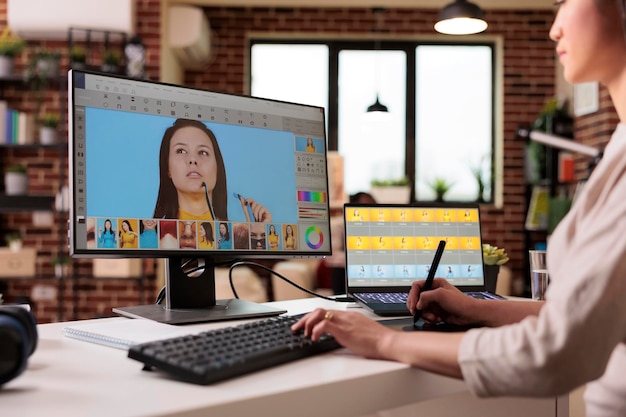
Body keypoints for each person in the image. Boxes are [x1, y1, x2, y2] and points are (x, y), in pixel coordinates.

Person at [293, 2, 626, 415]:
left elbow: (555, 351)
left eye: (566, 3)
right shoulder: (618, 145)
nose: (555, 28)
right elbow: (577, 316)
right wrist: (475, 308)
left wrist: (384, 340)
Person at [153, 118, 271, 222]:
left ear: (217, 167)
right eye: (181, 151)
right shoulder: (153, 236)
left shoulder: (237, 234)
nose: (193, 159)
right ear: (167, 167)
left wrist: (256, 233)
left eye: (203, 152)